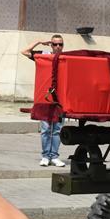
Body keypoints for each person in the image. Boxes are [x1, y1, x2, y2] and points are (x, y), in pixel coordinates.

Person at [21, 34, 67, 166]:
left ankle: (54, 157)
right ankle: (46, 156)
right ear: (51, 45)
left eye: (60, 44)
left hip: (60, 100)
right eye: (55, 44)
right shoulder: (43, 55)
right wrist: (39, 41)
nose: (57, 47)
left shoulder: (66, 58)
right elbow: (24, 51)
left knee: (57, 130)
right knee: (46, 129)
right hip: (45, 99)